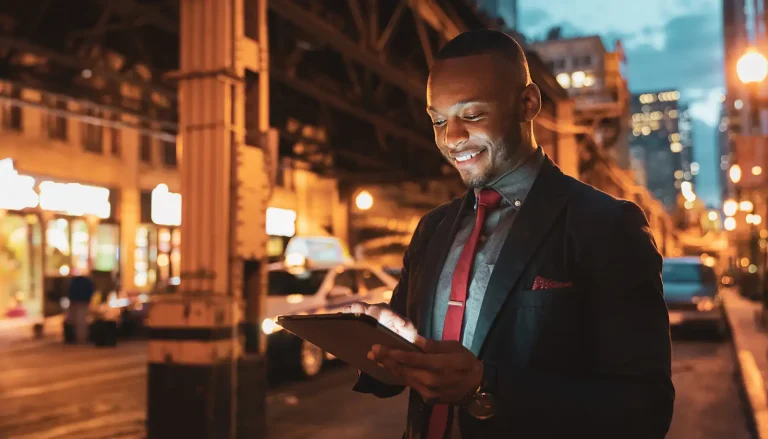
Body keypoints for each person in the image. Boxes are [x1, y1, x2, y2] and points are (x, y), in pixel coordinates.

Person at [344, 29, 674, 438]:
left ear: (528, 104)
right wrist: (372, 348)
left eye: (472, 115)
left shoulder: (607, 226)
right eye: (439, 120)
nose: (451, 138)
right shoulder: (432, 230)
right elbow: (405, 365)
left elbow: (645, 409)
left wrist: (485, 386)